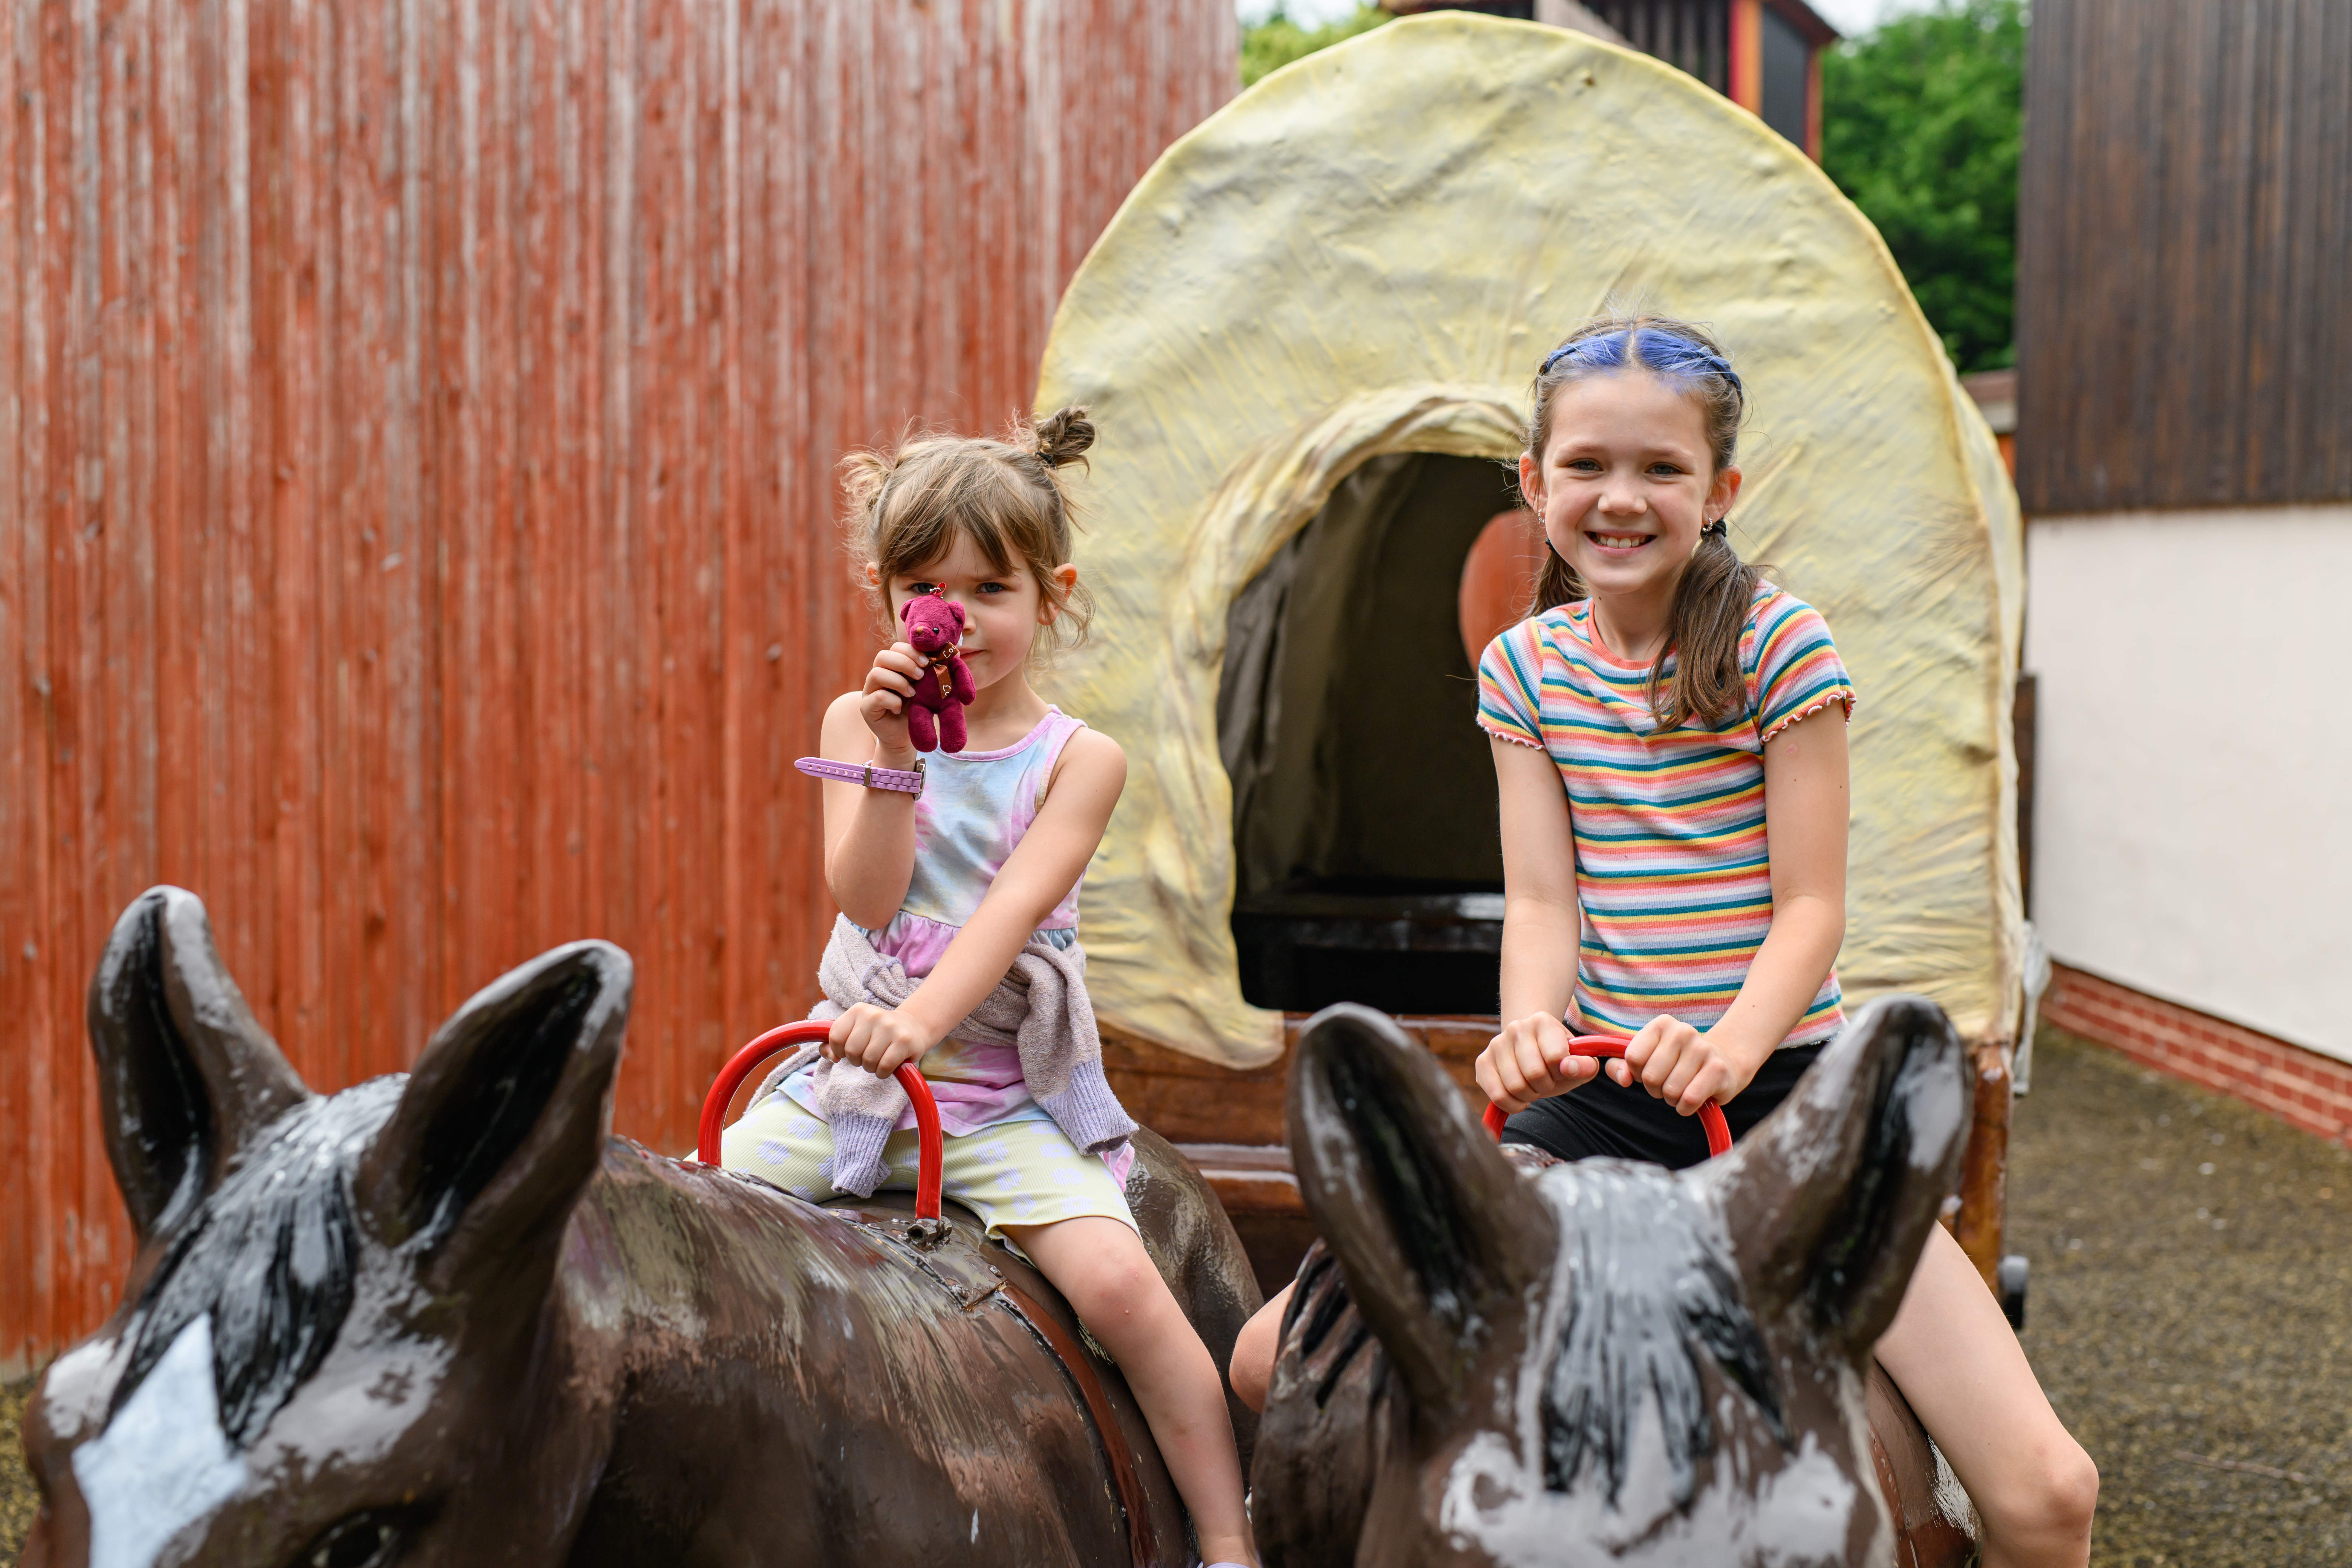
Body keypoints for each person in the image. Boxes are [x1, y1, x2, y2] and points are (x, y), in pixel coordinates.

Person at [1229, 317, 2096, 1568]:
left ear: (1719, 491)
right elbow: (1542, 901)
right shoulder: (1525, 670)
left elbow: (1811, 906)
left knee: (2047, 1491)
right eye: (1585, 465)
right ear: (1534, 484)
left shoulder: (1780, 647)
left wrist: (1735, 1048)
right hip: (1604, 1101)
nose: (1620, 497)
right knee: (1271, 1363)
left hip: (1781, 1102)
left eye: (1660, 469)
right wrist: (1532, 1027)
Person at [722, 410, 1255, 1568]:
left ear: (1050, 593)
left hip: (993, 1100)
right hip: (849, 1083)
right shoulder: (853, 724)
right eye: (925, 584)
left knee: (1121, 1286)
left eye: (990, 587)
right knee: (699, 1225)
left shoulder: (1076, 759)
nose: (957, 615)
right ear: (884, 592)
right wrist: (892, 762)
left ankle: (1225, 1536)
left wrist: (915, 1025)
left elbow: (1009, 914)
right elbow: (866, 896)